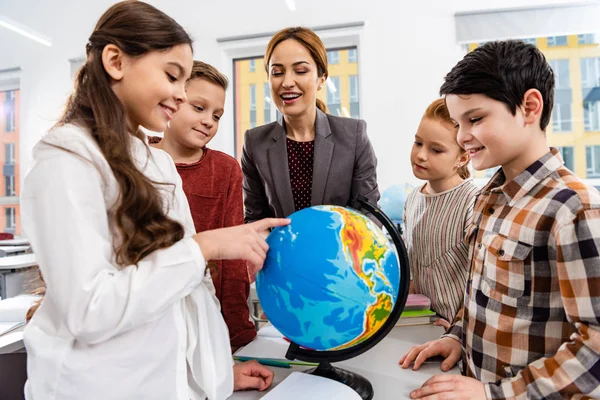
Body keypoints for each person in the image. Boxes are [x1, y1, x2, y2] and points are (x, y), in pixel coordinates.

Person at [21, 2, 288, 399]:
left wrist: (218, 372)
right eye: (172, 75)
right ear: (115, 61)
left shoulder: (156, 162)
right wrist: (206, 245)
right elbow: (90, 309)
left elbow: (188, 296)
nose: (180, 95)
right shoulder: (66, 160)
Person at [399, 40, 600, 399]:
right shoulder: (488, 199)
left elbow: (596, 347)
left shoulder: (574, 208)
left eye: (475, 119)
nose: (463, 136)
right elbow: (482, 297)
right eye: (459, 123)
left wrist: (497, 395)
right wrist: (456, 336)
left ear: (529, 107)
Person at [150, 61, 256, 351]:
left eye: (217, 115)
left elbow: (232, 261)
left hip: (206, 317)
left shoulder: (225, 170)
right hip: (151, 318)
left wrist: (237, 335)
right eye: (198, 108)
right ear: (172, 103)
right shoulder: (135, 158)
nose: (209, 120)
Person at [241, 27, 379, 223]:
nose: (287, 82)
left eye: (300, 71)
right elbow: (255, 220)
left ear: (321, 79)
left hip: (339, 252)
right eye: (277, 72)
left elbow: (369, 216)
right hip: (281, 253)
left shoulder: (354, 135)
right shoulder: (255, 143)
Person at [404, 98, 478, 329]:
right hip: (422, 330)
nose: (421, 155)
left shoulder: (473, 201)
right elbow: (414, 274)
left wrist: (457, 328)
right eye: (418, 143)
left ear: (463, 157)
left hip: (460, 334)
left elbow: (481, 284)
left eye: (436, 150)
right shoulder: (413, 197)